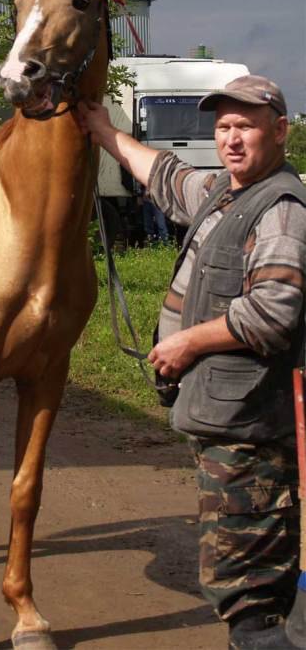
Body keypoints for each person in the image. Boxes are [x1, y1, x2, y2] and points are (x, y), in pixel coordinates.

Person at [76, 75, 306, 650]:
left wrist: (189, 342)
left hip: (252, 434)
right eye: (224, 126)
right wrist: (106, 132)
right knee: (244, 581)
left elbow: (274, 312)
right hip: (228, 423)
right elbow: (163, 175)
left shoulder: (279, 207)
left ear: (279, 132)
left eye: (246, 126)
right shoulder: (223, 193)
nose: (232, 138)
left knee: (247, 590)